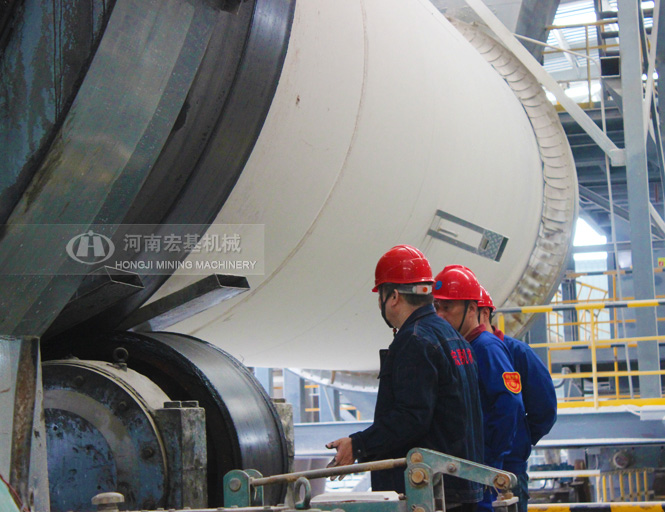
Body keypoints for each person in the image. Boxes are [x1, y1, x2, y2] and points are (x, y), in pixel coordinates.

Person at [327, 245, 483, 510]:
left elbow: (411, 417)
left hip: (429, 493)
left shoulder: (414, 340)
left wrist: (358, 445)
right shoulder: (453, 337)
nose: (380, 304)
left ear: (394, 296)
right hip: (459, 487)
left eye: (380, 296)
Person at [432, 265, 528, 512]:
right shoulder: (464, 348)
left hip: (481, 471)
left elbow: (510, 405)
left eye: (448, 307)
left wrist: (489, 457)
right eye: (437, 307)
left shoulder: (487, 348)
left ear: (472, 309)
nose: (440, 315)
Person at [477, 286, 557, 512]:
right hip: (471, 469)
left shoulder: (517, 353)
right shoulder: (463, 353)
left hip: (509, 468)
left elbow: (545, 409)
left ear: (483, 313)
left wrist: (519, 439)